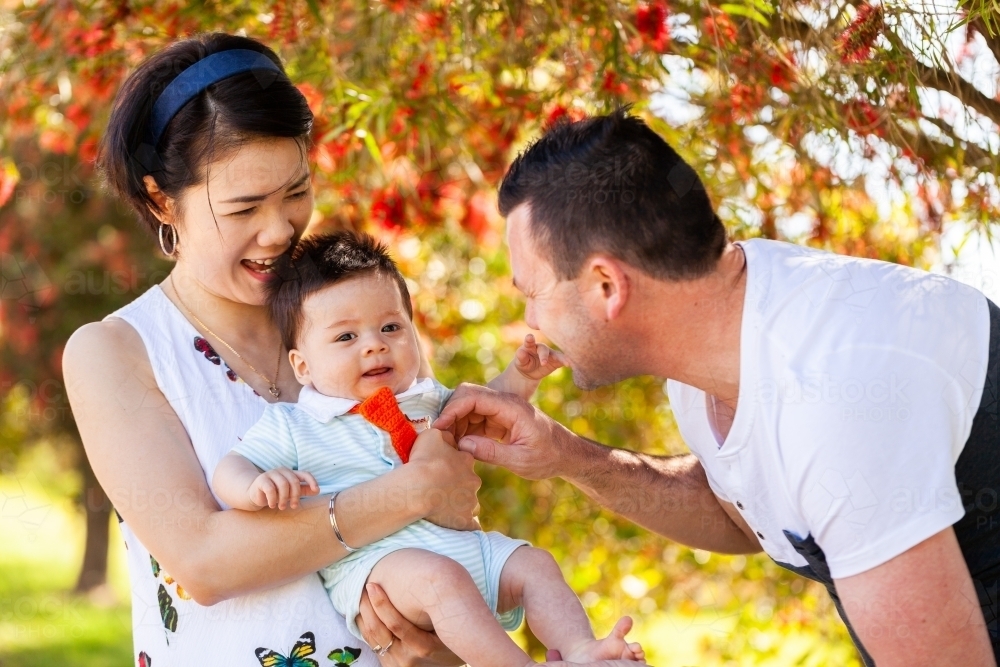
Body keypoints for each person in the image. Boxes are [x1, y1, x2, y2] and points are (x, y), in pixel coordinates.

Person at [434, 109, 1000, 667]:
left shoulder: (834, 395)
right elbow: (742, 512)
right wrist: (565, 456)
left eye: (531, 291)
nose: (530, 319)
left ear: (607, 285)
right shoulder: (716, 328)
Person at [64, 33, 484, 667]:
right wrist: (411, 494)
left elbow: (447, 516)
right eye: (243, 208)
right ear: (160, 199)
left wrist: (440, 648)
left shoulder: (350, 320)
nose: (280, 229)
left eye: (295, 192)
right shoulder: (117, 352)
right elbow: (205, 561)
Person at [211, 231, 645, 666]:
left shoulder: (426, 398)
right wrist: (256, 485)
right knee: (441, 580)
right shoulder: (296, 424)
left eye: (391, 327)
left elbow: (481, 411)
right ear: (302, 365)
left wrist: (520, 380)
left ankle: (582, 650)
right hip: (382, 567)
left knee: (536, 565)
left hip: (466, 549)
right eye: (346, 337)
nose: (374, 344)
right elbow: (230, 468)